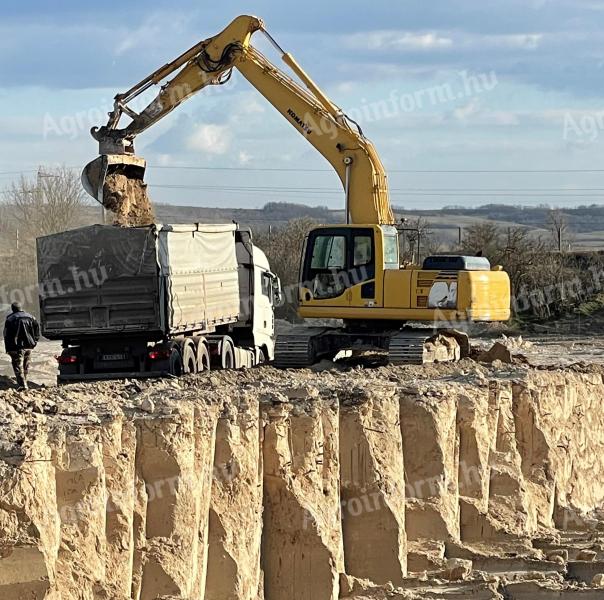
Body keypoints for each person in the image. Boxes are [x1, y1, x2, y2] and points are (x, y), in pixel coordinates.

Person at [3, 302, 40, 391]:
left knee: (18, 366)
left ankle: (23, 385)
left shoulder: (10, 319)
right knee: (26, 365)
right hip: (29, 346)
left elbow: (6, 334)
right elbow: (37, 330)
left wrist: (8, 348)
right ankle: (25, 382)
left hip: (17, 347)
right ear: (21, 308)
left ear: (13, 309)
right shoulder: (31, 317)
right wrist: (35, 341)